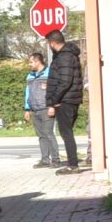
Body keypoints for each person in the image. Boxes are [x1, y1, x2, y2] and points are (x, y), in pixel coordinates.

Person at [43, 25, 85, 171]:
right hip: (70, 98)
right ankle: (72, 163)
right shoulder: (67, 55)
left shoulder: (64, 57)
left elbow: (64, 81)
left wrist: (54, 101)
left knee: (66, 133)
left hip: (66, 100)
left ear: (52, 43)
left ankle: (73, 165)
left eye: (49, 44)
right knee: (67, 132)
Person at [24, 43, 61, 167]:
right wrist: (27, 109)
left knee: (49, 134)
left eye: (31, 62)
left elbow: (55, 90)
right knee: (41, 136)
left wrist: (52, 106)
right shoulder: (30, 76)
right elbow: (27, 92)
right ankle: (45, 159)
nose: (30, 64)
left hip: (47, 108)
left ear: (38, 61)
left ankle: (56, 159)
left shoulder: (49, 73)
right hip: (35, 109)